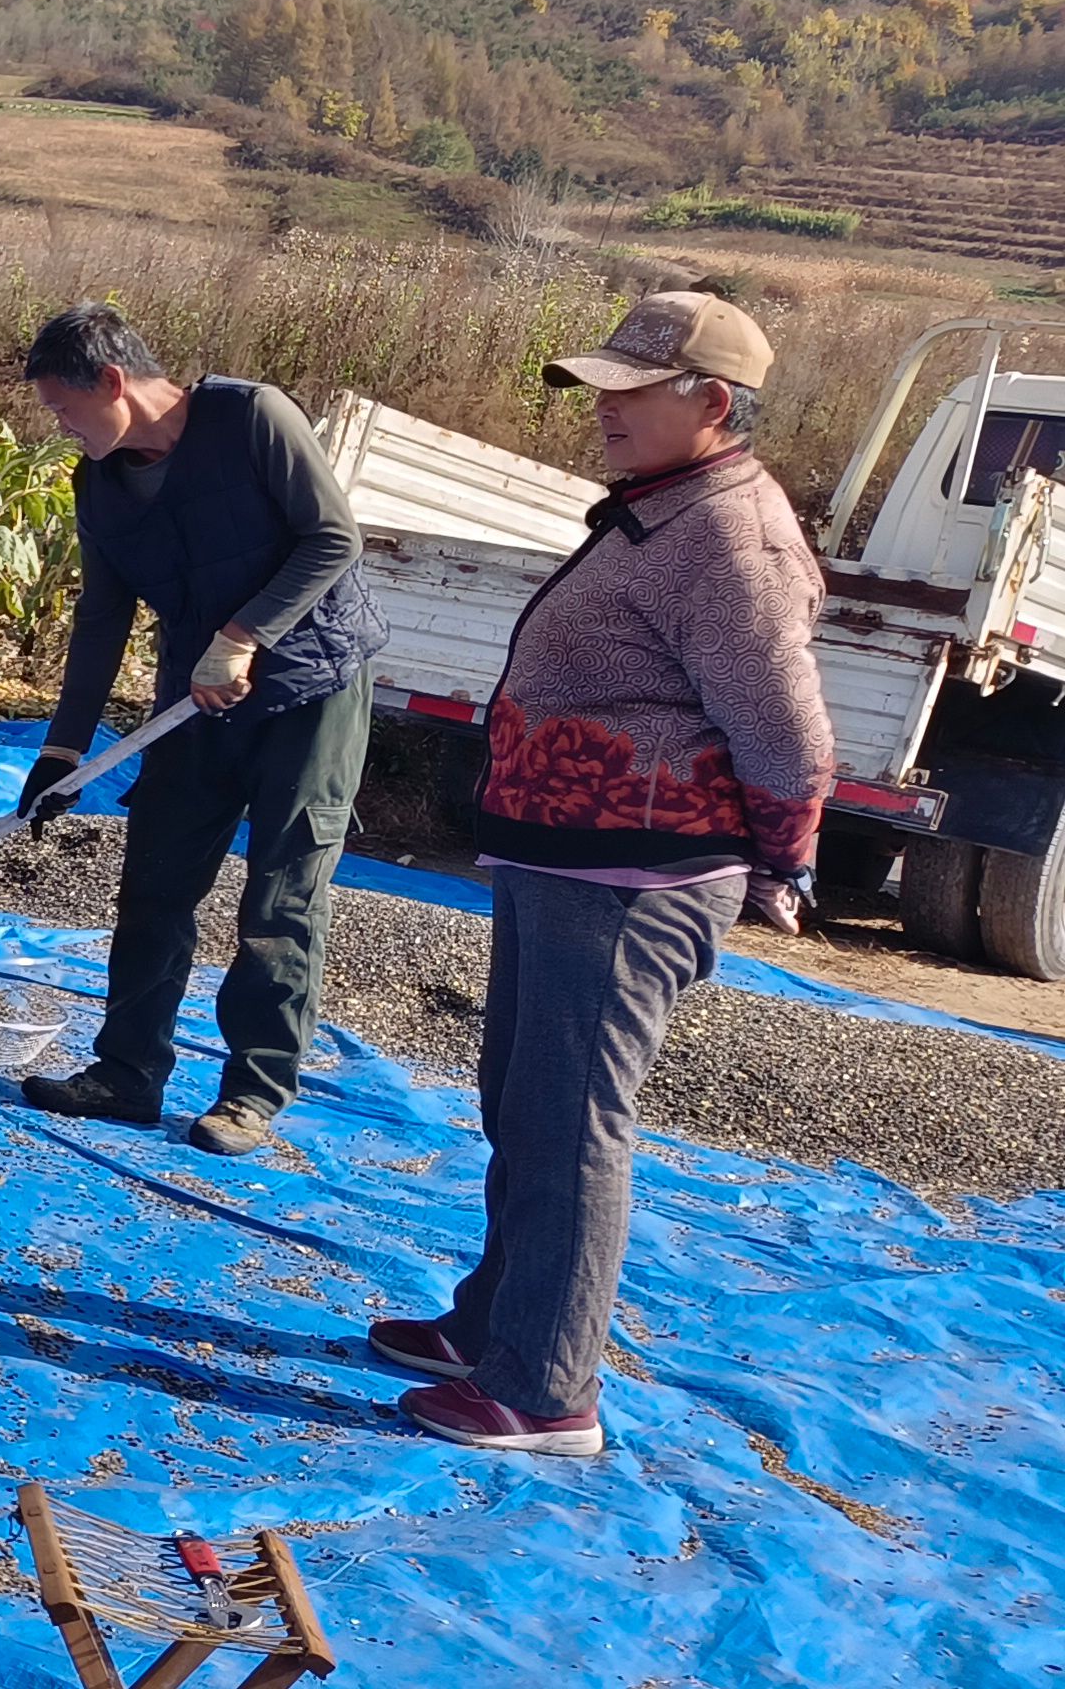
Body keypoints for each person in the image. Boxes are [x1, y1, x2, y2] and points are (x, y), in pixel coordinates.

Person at [379, 292, 830, 1458]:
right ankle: (495, 1326)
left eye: (634, 392)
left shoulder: (731, 536)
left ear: (712, 404)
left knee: (574, 1123)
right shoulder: (664, 510)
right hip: (565, 854)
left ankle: (541, 1388)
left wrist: (786, 856)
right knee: (522, 1105)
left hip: (637, 874)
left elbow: (784, 730)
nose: (606, 410)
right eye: (603, 388)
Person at [11, 303, 384, 1157]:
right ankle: (126, 1073)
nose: (62, 427)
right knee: (155, 883)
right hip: (195, 702)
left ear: (113, 382)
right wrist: (62, 751)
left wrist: (245, 635)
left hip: (311, 687)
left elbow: (334, 538)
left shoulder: (252, 417)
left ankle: (251, 1095)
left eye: (66, 407)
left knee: (280, 899)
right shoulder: (98, 484)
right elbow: (101, 618)